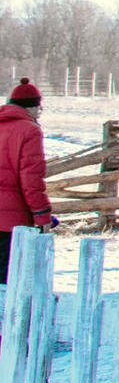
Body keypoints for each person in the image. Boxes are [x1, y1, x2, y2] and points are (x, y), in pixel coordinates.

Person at [0, 79, 57, 281]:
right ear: (32, 107)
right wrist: (43, 216)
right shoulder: (29, 130)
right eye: (39, 108)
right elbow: (31, 181)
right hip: (10, 222)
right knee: (9, 279)